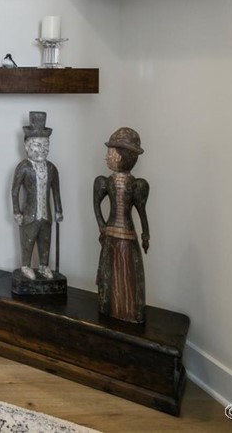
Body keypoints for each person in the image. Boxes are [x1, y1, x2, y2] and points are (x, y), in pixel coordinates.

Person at [93, 127, 150, 324]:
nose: (106, 157)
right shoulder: (104, 182)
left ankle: (130, 311)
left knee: (128, 275)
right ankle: (109, 306)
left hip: (125, 234)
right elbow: (96, 205)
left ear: (118, 157)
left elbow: (142, 212)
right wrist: (101, 225)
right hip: (113, 233)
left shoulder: (137, 185)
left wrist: (145, 235)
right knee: (111, 272)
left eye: (109, 153)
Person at [10, 111, 62, 280]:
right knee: (28, 240)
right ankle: (25, 265)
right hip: (29, 214)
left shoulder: (52, 168)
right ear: (27, 146)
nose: (42, 149)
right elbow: (15, 190)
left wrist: (59, 211)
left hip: (46, 215)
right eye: (38, 145)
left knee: (45, 240)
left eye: (45, 145)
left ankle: (43, 266)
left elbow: (56, 191)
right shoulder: (23, 167)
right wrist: (17, 211)